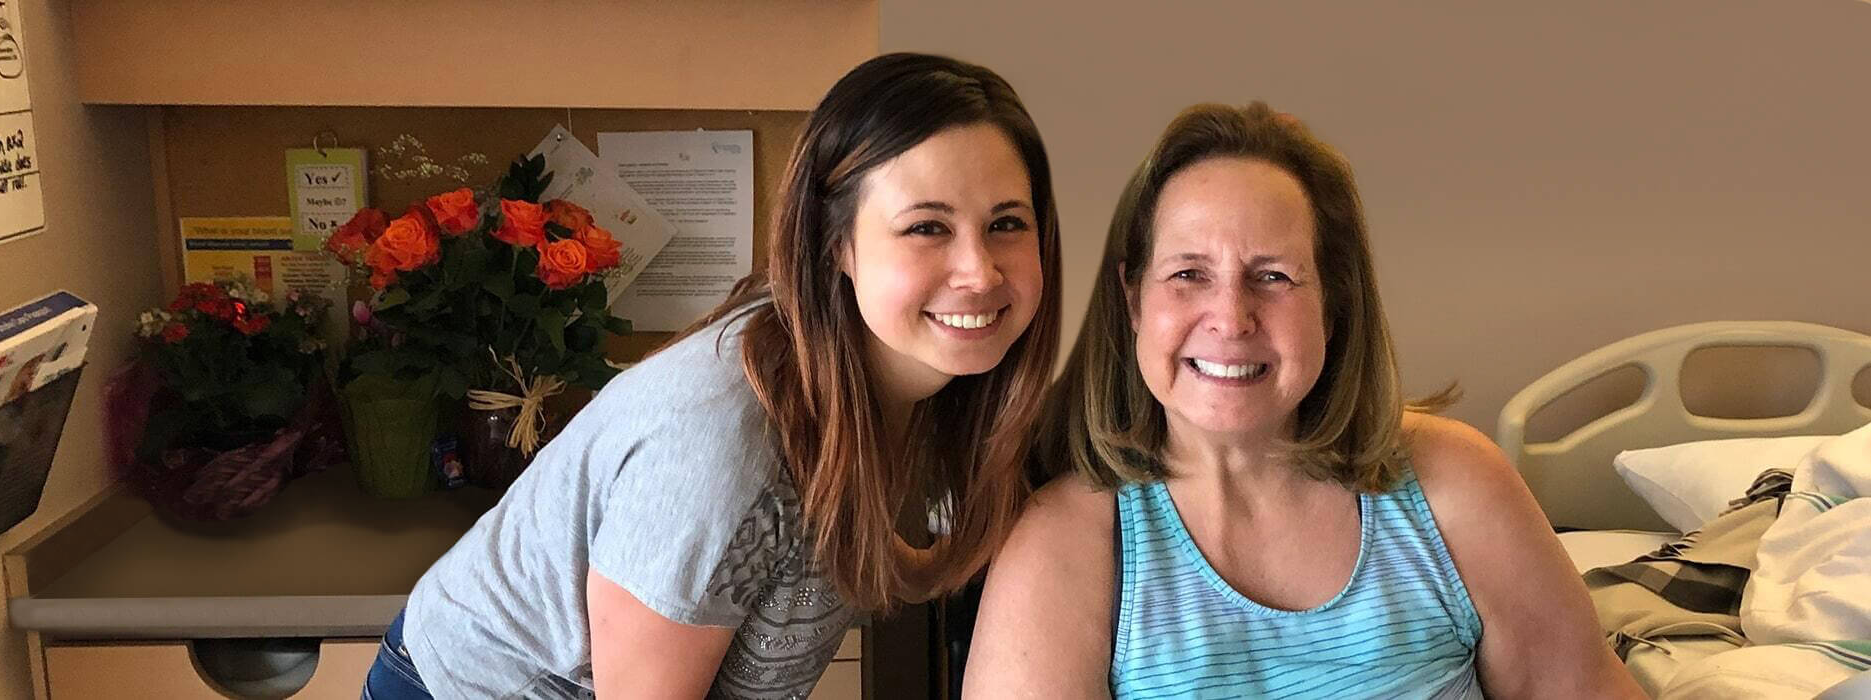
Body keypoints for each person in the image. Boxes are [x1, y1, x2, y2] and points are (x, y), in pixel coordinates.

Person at [364, 52, 1061, 698]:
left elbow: (898, 556)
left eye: (1006, 222)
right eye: (926, 228)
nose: (980, 271)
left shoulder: (928, 377)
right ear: (834, 244)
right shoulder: (719, 443)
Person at [962, 103, 1642, 699]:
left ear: (1333, 304)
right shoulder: (1066, 545)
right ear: (1133, 298)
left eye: (1274, 276)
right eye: (1188, 274)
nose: (1230, 318)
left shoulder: (1452, 482)